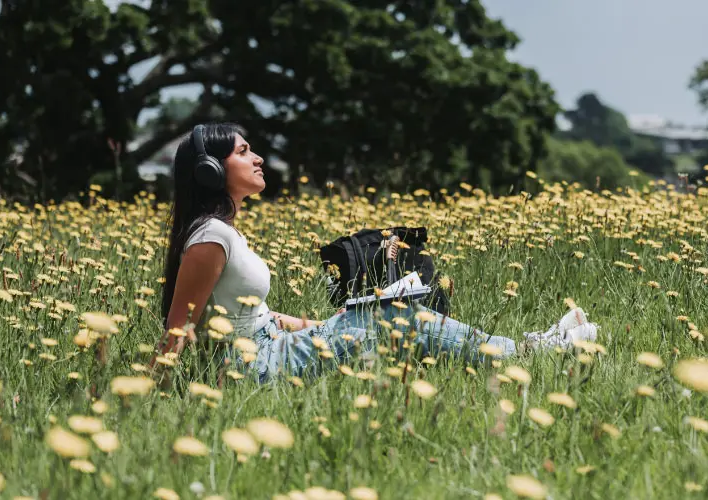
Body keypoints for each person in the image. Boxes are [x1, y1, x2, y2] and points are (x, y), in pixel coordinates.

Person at [155, 122, 600, 382]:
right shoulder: (210, 238)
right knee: (399, 315)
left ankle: (522, 351)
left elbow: (258, 316)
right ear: (211, 171)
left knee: (395, 310)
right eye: (243, 152)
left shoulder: (225, 232)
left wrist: (325, 323)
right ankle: (526, 354)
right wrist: (145, 397)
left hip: (272, 346)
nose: (258, 159)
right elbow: (179, 330)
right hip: (254, 365)